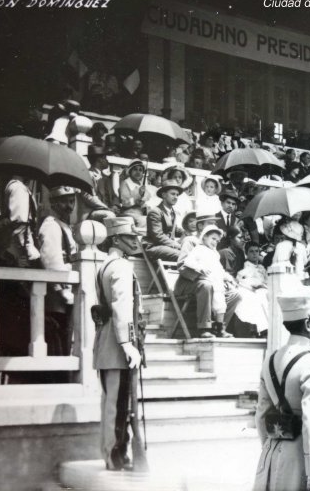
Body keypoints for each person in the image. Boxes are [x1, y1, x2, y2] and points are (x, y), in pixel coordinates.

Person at [253, 294, 310, 491]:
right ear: (308, 323)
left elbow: (261, 414)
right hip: (299, 458)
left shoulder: (271, 359)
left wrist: (267, 447)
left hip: (270, 452)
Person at [93, 217, 147, 472]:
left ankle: (115, 453)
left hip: (109, 342)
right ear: (116, 239)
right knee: (117, 404)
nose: (134, 240)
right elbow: (121, 306)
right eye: (129, 237)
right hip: (117, 345)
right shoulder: (121, 266)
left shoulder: (107, 265)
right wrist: (127, 343)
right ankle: (115, 455)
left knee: (115, 402)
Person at [38, 186, 78, 355]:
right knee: (57, 343)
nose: (69, 206)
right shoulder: (51, 226)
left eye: (71, 201)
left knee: (66, 341)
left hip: (66, 293)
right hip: (57, 297)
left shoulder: (64, 226)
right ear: (53, 203)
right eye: (64, 201)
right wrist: (63, 292)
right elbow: (51, 261)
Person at [175, 225, 230, 338]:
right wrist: (200, 268)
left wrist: (228, 277)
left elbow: (219, 269)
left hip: (215, 282)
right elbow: (187, 262)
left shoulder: (215, 254)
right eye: (213, 239)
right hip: (199, 281)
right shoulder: (198, 249)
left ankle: (220, 328)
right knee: (207, 287)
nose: (215, 242)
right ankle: (204, 328)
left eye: (217, 240)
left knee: (220, 303)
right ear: (204, 237)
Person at [144, 178, 184, 262]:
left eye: (177, 195)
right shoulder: (155, 212)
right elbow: (158, 236)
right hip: (154, 247)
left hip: (167, 247)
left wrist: (187, 232)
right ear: (164, 195)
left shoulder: (172, 212)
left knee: (193, 253)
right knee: (183, 255)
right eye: (173, 194)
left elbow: (173, 229)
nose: (176, 197)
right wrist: (175, 244)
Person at [118, 159, 151, 224]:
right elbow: (124, 202)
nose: (138, 172)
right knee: (144, 221)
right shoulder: (125, 183)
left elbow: (148, 199)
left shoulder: (142, 185)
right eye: (135, 169)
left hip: (142, 212)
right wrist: (137, 197)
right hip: (129, 212)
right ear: (130, 171)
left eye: (140, 170)